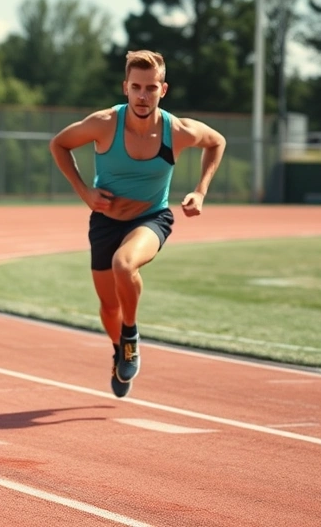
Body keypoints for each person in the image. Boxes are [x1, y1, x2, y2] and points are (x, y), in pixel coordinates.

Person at [49, 49, 226, 398]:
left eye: (151, 88)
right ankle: (119, 351)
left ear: (163, 89)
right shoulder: (103, 123)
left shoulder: (177, 131)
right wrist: (85, 192)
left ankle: (130, 337)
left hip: (151, 218)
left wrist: (201, 191)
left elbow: (216, 142)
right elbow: (59, 144)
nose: (143, 96)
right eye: (136, 87)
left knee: (123, 264)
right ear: (125, 88)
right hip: (105, 221)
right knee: (108, 305)